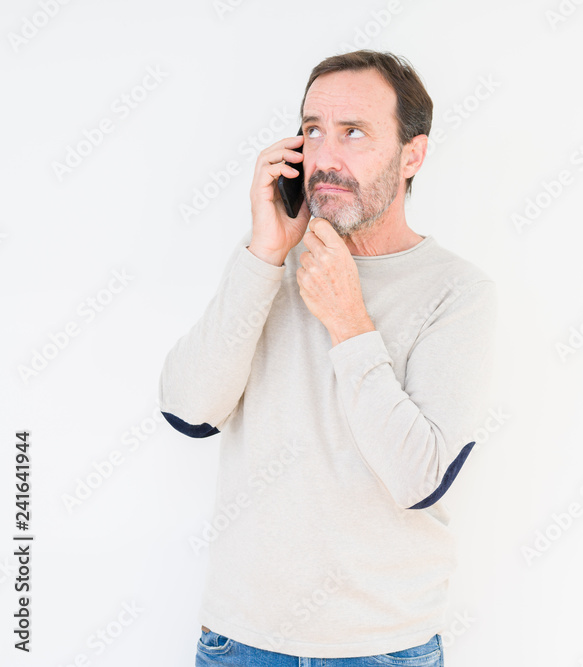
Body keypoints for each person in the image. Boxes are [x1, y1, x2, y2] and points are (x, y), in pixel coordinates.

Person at [158, 50, 497, 665]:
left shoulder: (459, 293)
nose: (326, 157)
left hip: (382, 649)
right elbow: (189, 411)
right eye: (313, 130)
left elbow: (419, 480)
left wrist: (348, 321)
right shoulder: (265, 262)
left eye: (355, 133)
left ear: (412, 155)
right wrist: (263, 253)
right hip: (240, 643)